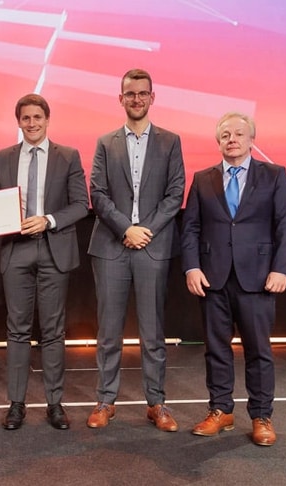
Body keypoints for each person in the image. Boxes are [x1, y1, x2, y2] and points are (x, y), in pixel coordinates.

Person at [181, 112, 286, 446]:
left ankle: (261, 416)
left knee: (258, 350)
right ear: (218, 142)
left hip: (258, 278)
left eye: (239, 134)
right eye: (226, 135)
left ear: (251, 140)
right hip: (212, 278)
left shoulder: (274, 175)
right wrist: (191, 267)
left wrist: (281, 268)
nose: (232, 139)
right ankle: (221, 411)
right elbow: (190, 228)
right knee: (216, 349)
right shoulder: (202, 179)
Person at [86, 69, 186, 430]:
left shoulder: (170, 141)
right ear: (121, 99)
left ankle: (156, 403)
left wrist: (145, 231)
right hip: (111, 246)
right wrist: (125, 228)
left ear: (152, 97)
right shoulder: (105, 142)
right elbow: (97, 193)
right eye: (130, 94)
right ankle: (105, 400)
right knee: (108, 332)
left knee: (153, 333)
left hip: (152, 247)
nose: (137, 99)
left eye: (143, 93)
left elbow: (176, 193)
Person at [0, 94, 89, 430]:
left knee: (53, 330)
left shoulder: (68, 156)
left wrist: (48, 220)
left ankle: (54, 404)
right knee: (17, 329)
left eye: (37, 117)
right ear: (18, 122)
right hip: (15, 249)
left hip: (53, 249)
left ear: (47, 119)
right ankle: (16, 404)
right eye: (25, 118)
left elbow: (81, 204)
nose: (31, 123)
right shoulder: (3, 157)